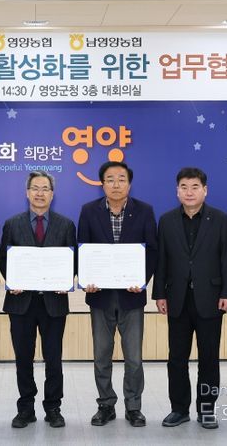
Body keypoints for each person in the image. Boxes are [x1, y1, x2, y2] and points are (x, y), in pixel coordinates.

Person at [153, 167, 227, 429]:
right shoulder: (166, 221)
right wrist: (159, 294)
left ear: (205, 190)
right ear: (177, 191)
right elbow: (161, 260)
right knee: (176, 358)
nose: (189, 192)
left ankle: (207, 409)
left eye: (195, 187)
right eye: (184, 187)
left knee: (209, 358)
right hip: (177, 299)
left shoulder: (220, 219)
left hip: (211, 298)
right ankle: (179, 409)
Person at [77, 161, 158, 428]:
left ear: (129, 184)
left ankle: (133, 407)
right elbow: (83, 250)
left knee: (133, 357)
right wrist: (86, 279)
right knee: (102, 355)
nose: (116, 184)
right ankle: (106, 405)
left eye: (121, 179)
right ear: (102, 184)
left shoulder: (144, 211)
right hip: (100, 296)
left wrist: (141, 280)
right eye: (110, 179)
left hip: (131, 296)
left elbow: (152, 251)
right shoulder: (88, 211)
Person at [0, 171, 77, 429]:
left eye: (45, 188)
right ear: (27, 193)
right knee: (23, 358)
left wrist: (65, 280)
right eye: (35, 188)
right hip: (21, 302)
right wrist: (12, 281)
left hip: (54, 302)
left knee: (54, 359)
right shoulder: (12, 224)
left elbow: (73, 260)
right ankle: (26, 408)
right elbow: (3, 259)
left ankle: (53, 408)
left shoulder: (66, 225)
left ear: (52, 194)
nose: (40, 193)